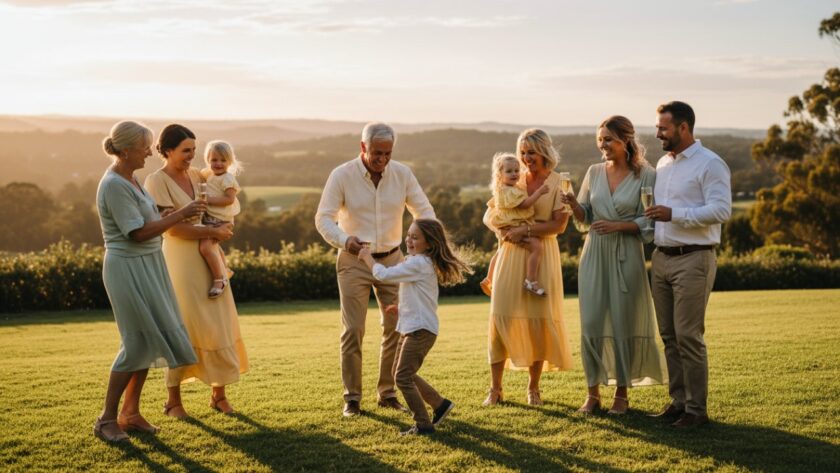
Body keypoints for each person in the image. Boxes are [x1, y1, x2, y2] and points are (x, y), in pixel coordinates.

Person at [315, 122, 436, 417]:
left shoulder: (402, 174)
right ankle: (352, 399)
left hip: (394, 259)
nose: (382, 159)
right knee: (353, 330)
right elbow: (323, 219)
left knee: (396, 328)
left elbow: (425, 212)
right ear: (363, 148)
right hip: (353, 260)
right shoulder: (341, 175)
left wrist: (422, 245)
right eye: (376, 153)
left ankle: (387, 393)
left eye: (388, 153)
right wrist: (346, 241)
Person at [94, 120, 204, 442]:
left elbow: (146, 218)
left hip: (149, 264)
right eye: (145, 147)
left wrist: (162, 211)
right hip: (127, 268)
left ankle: (130, 413)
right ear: (127, 149)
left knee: (147, 338)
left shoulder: (132, 178)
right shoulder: (113, 184)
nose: (148, 152)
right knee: (135, 342)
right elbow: (138, 232)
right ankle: (106, 420)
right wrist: (180, 215)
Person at [560, 116, 665, 416]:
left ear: (626, 140)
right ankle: (592, 394)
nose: (602, 145)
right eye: (600, 139)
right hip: (594, 254)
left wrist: (620, 226)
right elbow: (585, 216)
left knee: (623, 323)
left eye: (608, 139)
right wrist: (572, 203)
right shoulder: (593, 172)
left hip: (626, 255)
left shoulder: (647, 175)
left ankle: (621, 395)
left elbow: (651, 219)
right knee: (591, 322)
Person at [144, 124, 249, 418]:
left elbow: (225, 203)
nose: (192, 156)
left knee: (218, 321)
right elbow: (172, 228)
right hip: (180, 259)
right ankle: (173, 401)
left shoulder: (197, 175)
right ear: (167, 151)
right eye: (186, 151)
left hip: (209, 252)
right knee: (184, 324)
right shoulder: (156, 180)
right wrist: (209, 231)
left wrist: (223, 228)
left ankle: (219, 394)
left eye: (193, 150)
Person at [645, 101, 731, 428]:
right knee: (668, 335)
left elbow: (721, 210)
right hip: (662, 258)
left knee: (688, 335)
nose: (658, 134)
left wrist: (675, 214)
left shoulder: (711, 164)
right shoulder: (663, 164)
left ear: (683, 127)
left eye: (663, 128)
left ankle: (697, 410)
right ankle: (678, 402)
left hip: (694, 259)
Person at [482, 128, 573, 407]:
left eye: (530, 152)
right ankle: (495, 389)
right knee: (502, 315)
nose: (525, 158)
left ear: (544, 151)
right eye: (522, 152)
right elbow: (490, 215)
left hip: (542, 252)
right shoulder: (512, 178)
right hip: (511, 253)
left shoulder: (560, 182)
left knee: (538, 319)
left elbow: (559, 224)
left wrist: (526, 229)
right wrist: (506, 229)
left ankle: (534, 388)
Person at [358, 218, 471, 435]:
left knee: (401, 376)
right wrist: (399, 308)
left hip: (420, 331)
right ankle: (440, 405)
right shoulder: (419, 262)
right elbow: (419, 296)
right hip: (412, 326)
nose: (409, 240)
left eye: (415, 237)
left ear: (429, 243)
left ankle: (423, 424)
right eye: (408, 235)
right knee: (400, 372)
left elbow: (382, 274)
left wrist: (366, 257)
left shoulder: (419, 263)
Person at [482, 152, 550, 297]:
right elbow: (525, 205)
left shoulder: (501, 190)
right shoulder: (511, 192)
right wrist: (539, 192)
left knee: (500, 251)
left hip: (507, 226)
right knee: (536, 246)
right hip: (514, 226)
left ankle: (489, 278)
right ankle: (531, 280)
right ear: (500, 174)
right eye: (509, 171)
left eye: (516, 170)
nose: (514, 174)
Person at [198, 140, 242, 298]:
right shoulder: (208, 175)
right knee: (214, 247)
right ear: (207, 160)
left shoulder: (227, 179)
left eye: (223, 160)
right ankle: (225, 269)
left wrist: (206, 200)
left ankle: (219, 279)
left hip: (222, 221)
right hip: (211, 219)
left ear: (229, 162)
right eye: (214, 160)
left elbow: (229, 199)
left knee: (205, 247)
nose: (218, 164)